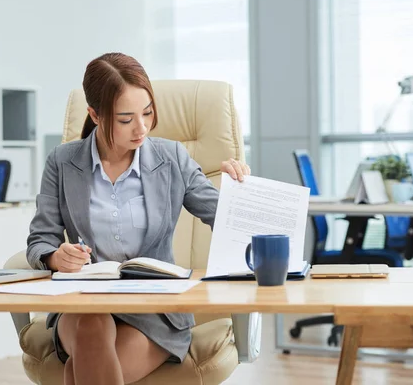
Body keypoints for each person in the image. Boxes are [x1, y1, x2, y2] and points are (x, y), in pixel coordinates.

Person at [26, 52, 250, 385]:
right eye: (126, 118)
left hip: (155, 311)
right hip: (84, 305)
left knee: (80, 370)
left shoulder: (172, 157)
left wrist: (239, 194)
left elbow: (228, 223)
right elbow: (39, 240)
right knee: (91, 324)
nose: (141, 127)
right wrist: (55, 256)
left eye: (147, 113)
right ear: (95, 115)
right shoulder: (62, 162)